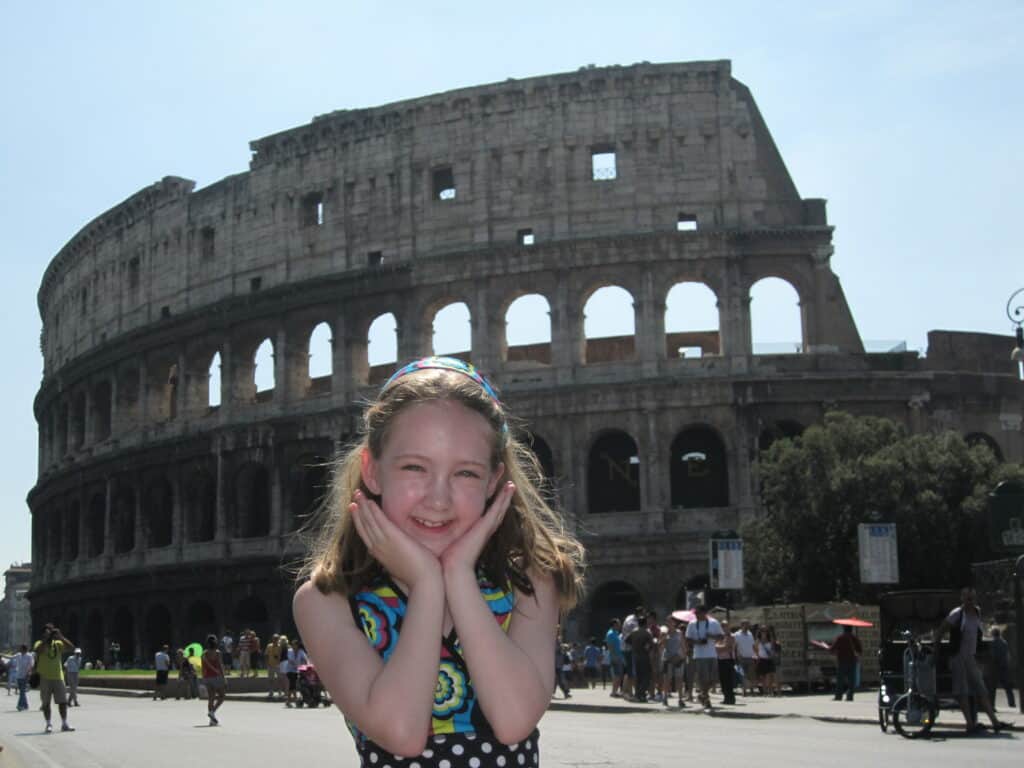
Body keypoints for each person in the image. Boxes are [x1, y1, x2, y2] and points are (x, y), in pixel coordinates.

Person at [293, 356, 584, 766]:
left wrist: (458, 577)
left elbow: (514, 719)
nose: (438, 498)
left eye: (465, 473)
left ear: (494, 481)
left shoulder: (531, 582)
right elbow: (401, 732)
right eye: (415, 467)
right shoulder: (327, 600)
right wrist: (429, 584)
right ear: (372, 472)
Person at [932, 587, 1012, 733]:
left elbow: (977, 635)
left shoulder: (976, 612)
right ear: (962, 599)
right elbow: (940, 632)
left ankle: (995, 722)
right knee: (962, 691)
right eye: (968, 598)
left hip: (970, 657)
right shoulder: (957, 614)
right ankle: (970, 724)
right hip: (958, 656)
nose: (971, 601)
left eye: (973, 598)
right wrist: (936, 652)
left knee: (981, 689)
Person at [33, 623, 75, 733]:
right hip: (44, 677)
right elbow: (38, 651)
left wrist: (61, 637)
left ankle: (64, 723)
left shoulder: (58, 643)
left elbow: (72, 648)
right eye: (47, 632)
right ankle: (48, 724)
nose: (50, 634)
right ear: (42, 634)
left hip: (58, 676)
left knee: (63, 702)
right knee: (46, 703)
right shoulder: (39, 643)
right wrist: (46, 640)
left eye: (51, 632)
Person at [685, 605, 723, 711]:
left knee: (714, 679)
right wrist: (697, 642)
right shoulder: (692, 624)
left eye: (698, 613)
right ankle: (706, 700)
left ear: (704, 613)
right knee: (703, 679)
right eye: (695, 613)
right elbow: (687, 639)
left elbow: (721, 637)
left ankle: (702, 694)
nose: (696, 615)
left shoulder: (713, 623)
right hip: (699, 655)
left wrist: (711, 636)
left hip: (712, 654)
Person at [829, 625, 862, 701]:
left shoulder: (840, 638)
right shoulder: (854, 638)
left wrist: (832, 650)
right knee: (851, 680)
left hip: (842, 661)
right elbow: (860, 650)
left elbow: (832, 649)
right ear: (851, 629)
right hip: (852, 661)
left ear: (844, 629)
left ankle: (838, 696)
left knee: (840, 679)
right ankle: (850, 696)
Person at [201, 633, 227, 725]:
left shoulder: (204, 654)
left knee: (211, 698)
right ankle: (212, 712)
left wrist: (203, 678)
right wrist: (224, 678)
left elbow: (203, 668)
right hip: (216, 677)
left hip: (207, 677)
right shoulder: (217, 653)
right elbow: (220, 665)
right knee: (222, 696)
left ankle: (212, 720)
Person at [987, 627, 1016, 710]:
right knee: (1008, 687)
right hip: (1004, 666)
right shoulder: (1004, 642)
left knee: (992, 687)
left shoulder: (993, 642)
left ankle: (991, 704)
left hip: (996, 666)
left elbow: (993, 655)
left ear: (993, 633)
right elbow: (1007, 655)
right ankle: (1012, 703)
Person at [659, 617, 685, 708]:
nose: (668, 623)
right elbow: (660, 645)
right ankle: (665, 697)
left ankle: (680, 699)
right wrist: (663, 638)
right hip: (667, 658)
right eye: (667, 622)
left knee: (679, 679)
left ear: (674, 623)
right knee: (667, 679)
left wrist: (685, 656)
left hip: (677, 658)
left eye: (670, 622)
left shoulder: (679, 633)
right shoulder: (664, 633)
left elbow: (682, 644)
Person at [714, 619, 737, 705]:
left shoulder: (731, 636)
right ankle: (726, 698)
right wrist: (720, 647)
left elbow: (727, 647)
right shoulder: (720, 637)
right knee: (723, 680)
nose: (724, 628)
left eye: (725, 626)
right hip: (720, 660)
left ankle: (731, 698)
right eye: (722, 626)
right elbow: (716, 648)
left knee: (728, 680)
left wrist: (718, 647)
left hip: (728, 660)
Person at [732, 619, 757, 696]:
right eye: (745, 624)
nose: (747, 626)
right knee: (743, 675)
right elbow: (734, 647)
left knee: (751, 675)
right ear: (742, 625)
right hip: (741, 657)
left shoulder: (750, 634)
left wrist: (755, 654)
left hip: (750, 656)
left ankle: (752, 690)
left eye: (748, 625)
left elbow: (753, 645)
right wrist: (734, 656)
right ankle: (744, 691)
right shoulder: (736, 634)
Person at [12, 643, 33, 711]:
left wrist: (28, 673)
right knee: (22, 691)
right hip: (19, 675)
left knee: (22, 691)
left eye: (21, 648)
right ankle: (26, 705)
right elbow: (11, 657)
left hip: (25, 675)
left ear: (24, 649)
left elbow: (31, 665)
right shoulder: (18, 655)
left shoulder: (29, 656)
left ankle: (20, 705)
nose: (19, 649)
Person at [265, 633, 281, 698]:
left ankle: (279, 691)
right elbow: (266, 654)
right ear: (272, 639)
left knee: (279, 679)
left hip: (278, 665)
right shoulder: (269, 646)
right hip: (270, 665)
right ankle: (271, 691)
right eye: (274, 638)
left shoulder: (280, 646)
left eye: (276, 639)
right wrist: (267, 663)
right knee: (271, 679)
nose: (275, 640)